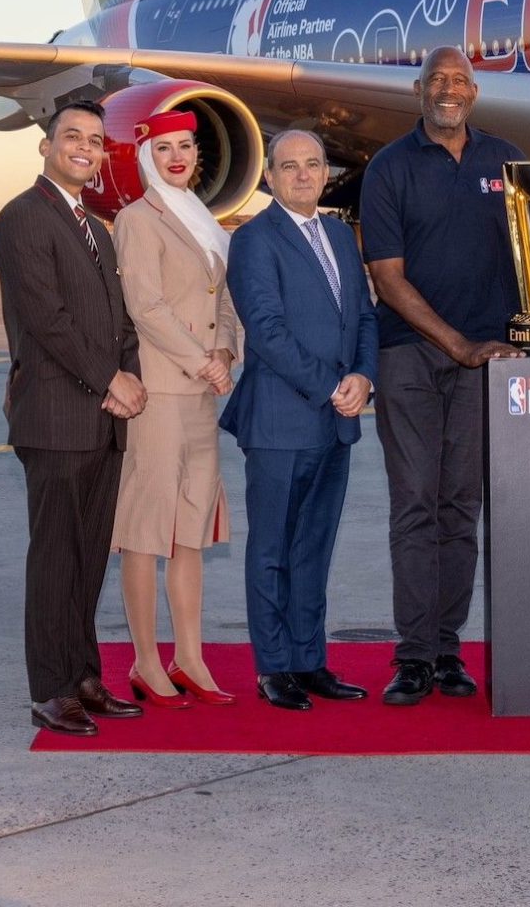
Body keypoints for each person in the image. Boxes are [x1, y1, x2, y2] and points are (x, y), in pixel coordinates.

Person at [359, 47, 524, 706]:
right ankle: (413, 656)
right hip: (411, 358)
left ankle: (448, 651)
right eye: (437, 80)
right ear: (419, 89)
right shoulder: (389, 167)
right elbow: (387, 277)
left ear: (474, 92)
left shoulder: (505, 160)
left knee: (461, 506)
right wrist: (457, 344)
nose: (448, 90)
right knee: (415, 506)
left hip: (486, 360)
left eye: (459, 81)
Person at [0, 103, 146, 737]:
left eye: (93, 140)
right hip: (55, 417)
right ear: (46, 147)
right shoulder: (24, 218)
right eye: (71, 138)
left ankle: (84, 676)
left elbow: (118, 320)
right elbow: (47, 320)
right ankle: (50, 689)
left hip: (102, 418)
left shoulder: (97, 228)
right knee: (55, 558)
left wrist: (127, 376)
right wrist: (109, 378)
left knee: (87, 560)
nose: (84, 148)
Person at [221, 129, 378, 711]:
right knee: (272, 548)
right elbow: (266, 331)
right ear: (270, 177)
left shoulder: (338, 234)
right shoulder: (254, 240)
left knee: (315, 547)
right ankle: (274, 667)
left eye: (314, 165)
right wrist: (332, 385)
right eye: (290, 167)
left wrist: (364, 376)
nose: (305, 176)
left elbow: (363, 315)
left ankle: (310, 661)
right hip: (282, 422)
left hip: (336, 420)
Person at [108, 110, 240, 709]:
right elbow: (146, 306)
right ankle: (144, 661)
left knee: (190, 533)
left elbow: (227, 301)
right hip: (160, 395)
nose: (178, 157)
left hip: (201, 396)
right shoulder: (139, 220)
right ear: (147, 159)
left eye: (186, 146)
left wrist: (226, 351)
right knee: (145, 534)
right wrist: (199, 360)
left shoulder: (206, 221)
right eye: (165, 149)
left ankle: (190, 658)